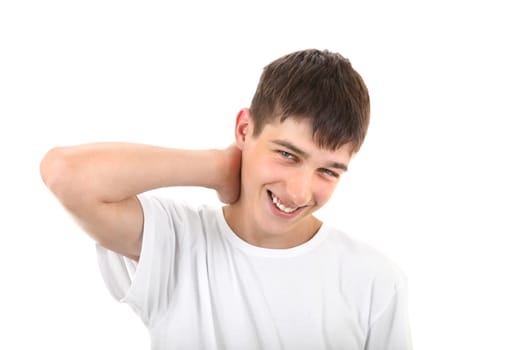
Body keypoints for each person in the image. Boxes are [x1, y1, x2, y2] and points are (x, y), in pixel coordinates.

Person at [40, 49, 412, 349]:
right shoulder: (175, 242)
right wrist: (217, 168)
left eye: (328, 171)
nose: (299, 191)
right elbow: (64, 173)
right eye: (287, 154)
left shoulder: (375, 280)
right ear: (244, 129)